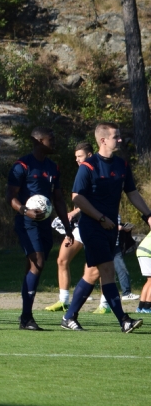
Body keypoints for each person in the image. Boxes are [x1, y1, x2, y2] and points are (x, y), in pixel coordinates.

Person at [61, 122, 149, 333]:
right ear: (103, 140)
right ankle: (124, 320)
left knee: (92, 273)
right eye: (115, 136)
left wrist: (148, 215)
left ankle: (69, 316)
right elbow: (77, 197)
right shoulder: (88, 166)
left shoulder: (121, 165)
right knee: (108, 270)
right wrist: (100, 218)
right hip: (92, 227)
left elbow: (132, 193)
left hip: (110, 227)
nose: (120, 139)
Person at [6, 126, 74, 330]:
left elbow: (58, 198)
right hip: (26, 222)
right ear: (39, 141)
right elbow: (10, 197)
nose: (54, 142)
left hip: (44, 223)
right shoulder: (22, 165)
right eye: (50, 139)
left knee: (34, 266)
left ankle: (24, 317)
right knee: (38, 261)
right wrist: (25, 210)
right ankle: (27, 317)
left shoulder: (53, 167)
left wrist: (67, 226)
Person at [45, 142, 94, 312]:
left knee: (98, 265)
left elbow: (93, 201)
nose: (77, 160)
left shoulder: (96, 172)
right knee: (62, 259)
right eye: (75, 157)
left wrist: (74, 212)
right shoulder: (82, 172)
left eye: (80, 156)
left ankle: (105, 304)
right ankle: (64, 300)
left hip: (95, 225)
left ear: (89, 155)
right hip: (80, 225)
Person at [135, 233, 151, 313]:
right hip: (148, 252)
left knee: (149, 280)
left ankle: (140, 307)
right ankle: (147, 307)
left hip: (141, 251)